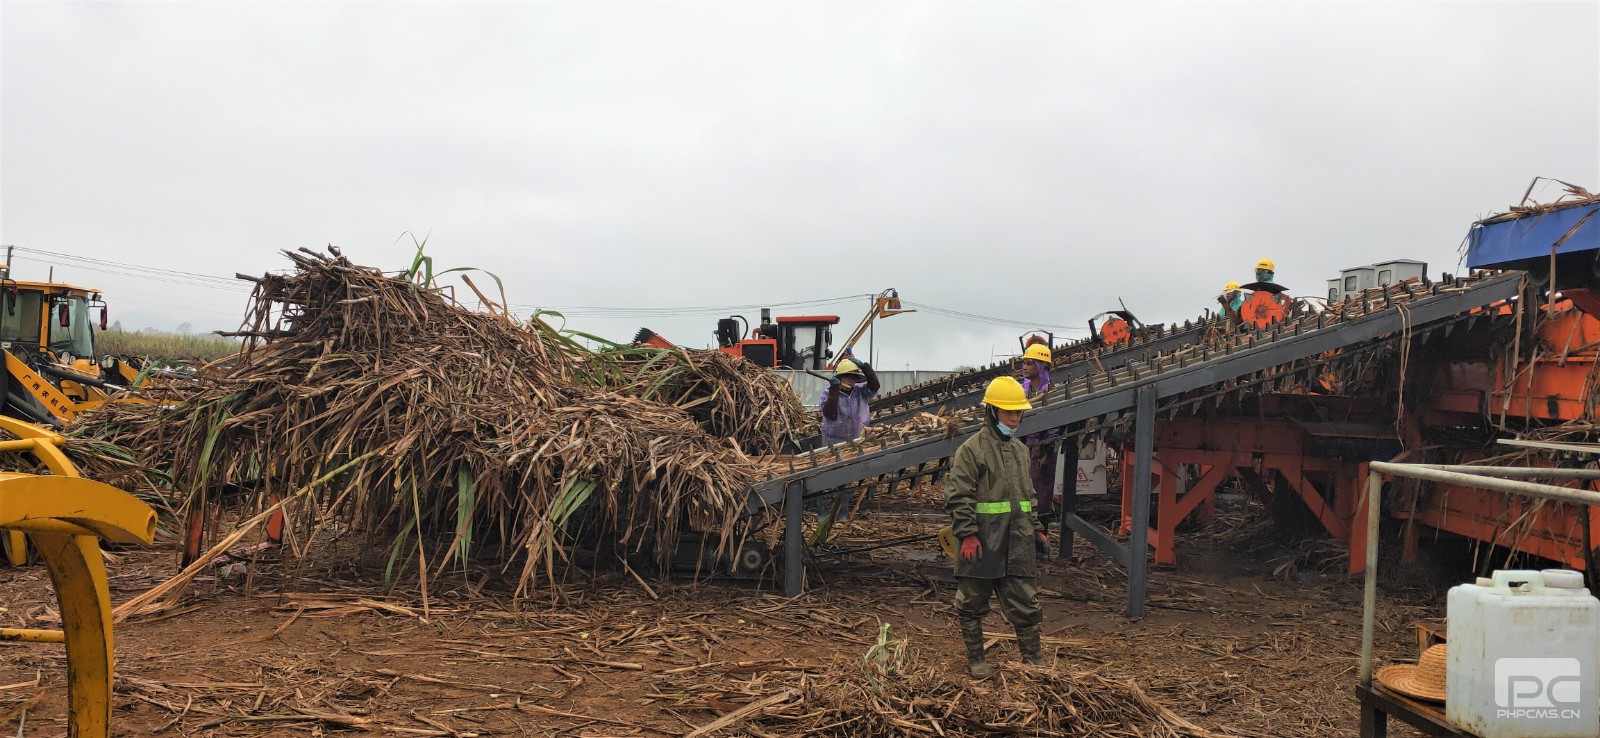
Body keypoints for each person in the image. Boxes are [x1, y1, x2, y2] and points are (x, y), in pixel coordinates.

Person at [945, 377, 1050, 678]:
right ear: (992, 411)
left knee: (1026, 604)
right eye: (1008, 412)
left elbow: (1027, 496)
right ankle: (976, 658)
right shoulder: (971, 450)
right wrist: (966, 535)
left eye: (1018, 412)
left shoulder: (1020, 450)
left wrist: (1037, 529)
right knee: (971, 603)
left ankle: (1033, 660)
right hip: (982, 541)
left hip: (1017, 541)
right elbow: (958, 495)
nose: (1014, 418)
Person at [1018, 341, 1057, 520]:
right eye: (1024, 363)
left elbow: (1053, 426)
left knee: (1039, 494)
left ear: (1041, 365)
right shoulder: (1022, 391)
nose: (1024, 367)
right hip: (1024, 449)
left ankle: (1040, 531)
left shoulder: (1050, 392)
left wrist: (1047, 452)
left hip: (1040, 451)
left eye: (1029, 363)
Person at [818, 353, 880, 446]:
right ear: (840, 377)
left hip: (860, 440)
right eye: (847, 376)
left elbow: (874, 385)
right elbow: (829, 413)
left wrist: (864, 367)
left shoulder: (860, 391)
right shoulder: (828, 393)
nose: (851, 380)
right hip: (835, 443)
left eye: (853, 377)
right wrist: (834, 390)